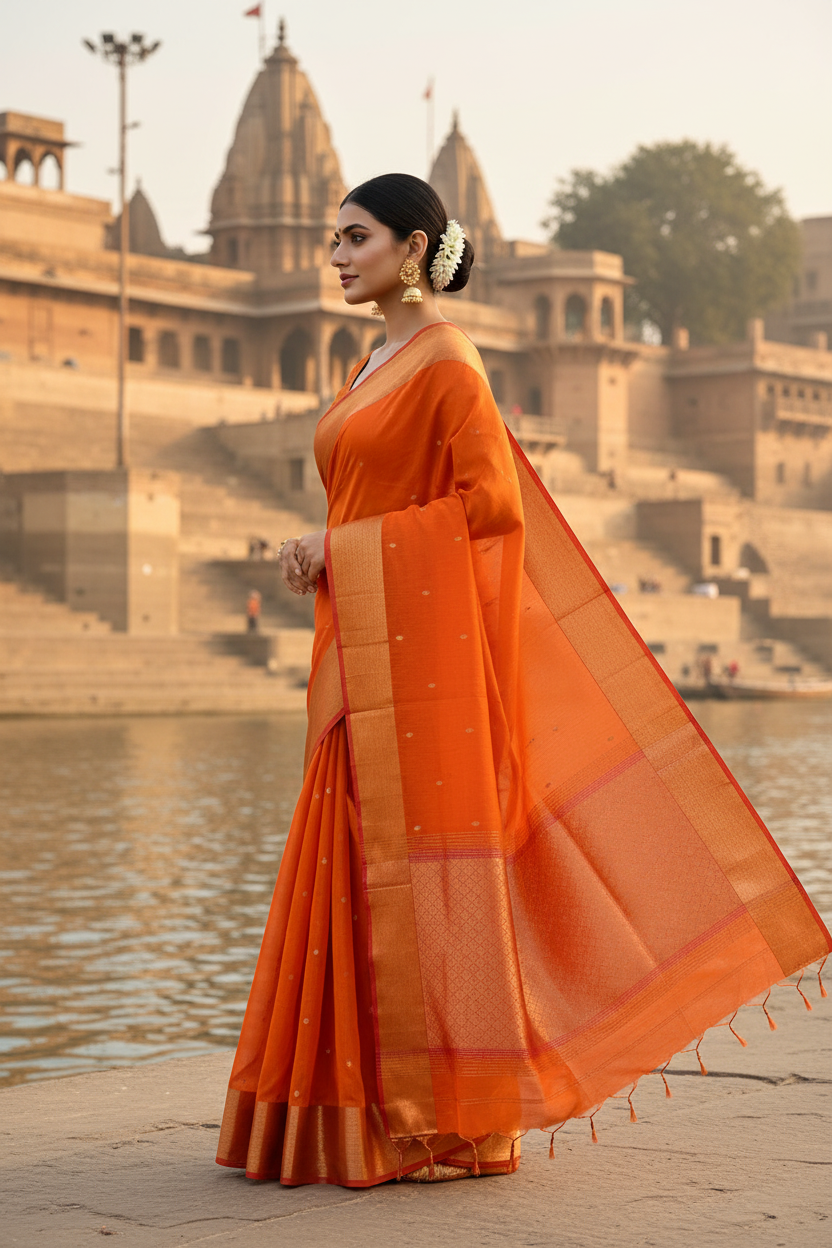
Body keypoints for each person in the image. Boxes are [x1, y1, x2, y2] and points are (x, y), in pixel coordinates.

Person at [216, 173, 830, 1188]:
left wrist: (347, 550)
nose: (333, 256)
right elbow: (375, 494)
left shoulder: (447, 363)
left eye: (355, 238)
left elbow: (490, 509)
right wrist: (323, 550)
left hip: (420, 670)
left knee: (419, 883)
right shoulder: (372, 357)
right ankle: (340, 1113)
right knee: (353, 868)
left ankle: (436, 1121)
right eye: (330, 238)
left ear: (414, 250)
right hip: (367, 648)